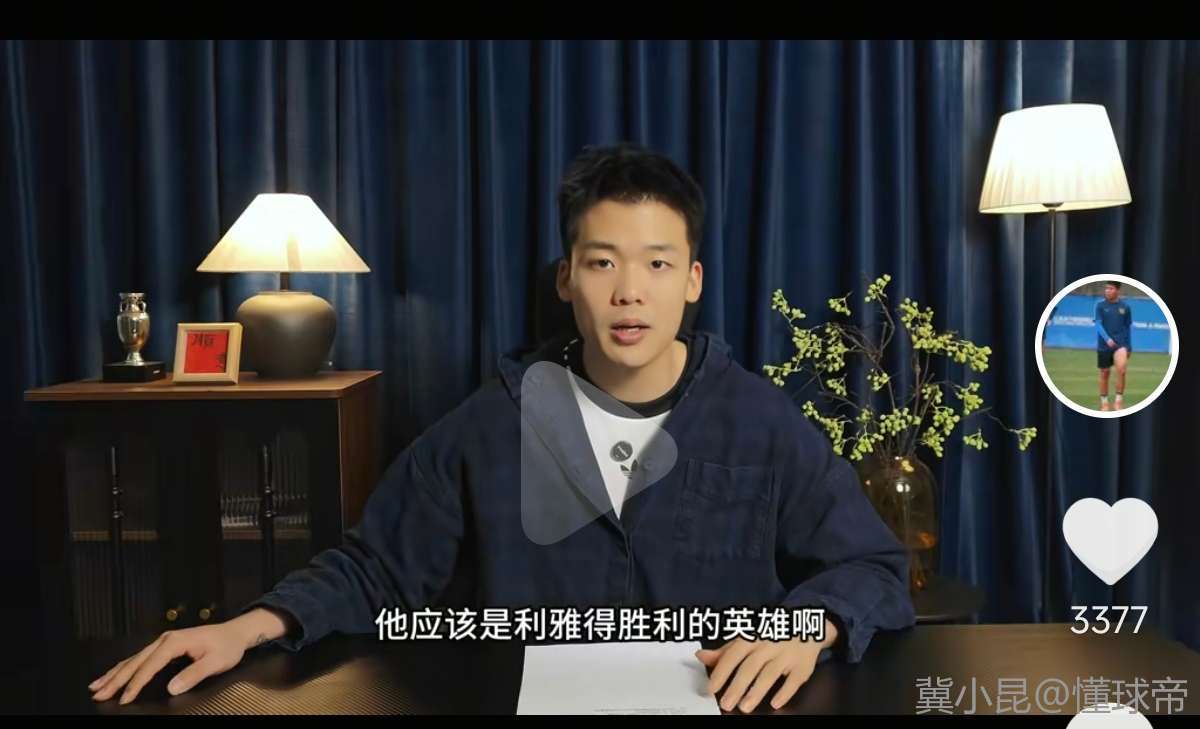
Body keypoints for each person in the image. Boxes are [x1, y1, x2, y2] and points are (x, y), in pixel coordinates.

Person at [88, 142, 914, 713]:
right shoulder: (498, 418)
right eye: (602, 262)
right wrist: (247, 625)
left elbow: (873, 565)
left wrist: (806, 627)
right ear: (566, 279)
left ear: (692, 280)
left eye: (658, 263)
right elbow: (376, 566)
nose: (630, 290)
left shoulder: (759, 420)